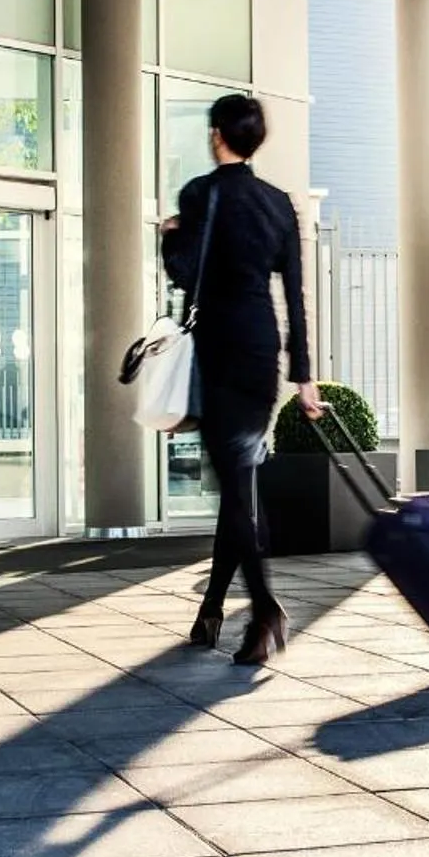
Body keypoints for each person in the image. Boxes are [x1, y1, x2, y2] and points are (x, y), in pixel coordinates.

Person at [162, 93, 322, 665]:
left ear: (216, 135)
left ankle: (264, 609)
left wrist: (170, 236)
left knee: (233, 484)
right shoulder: (280, 204)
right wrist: (304, 378)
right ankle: (210, 612)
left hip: (219, 351)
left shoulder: (199, 196)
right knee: (239, 482)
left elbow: (185, 276)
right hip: (262, 353)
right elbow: (296, 297)